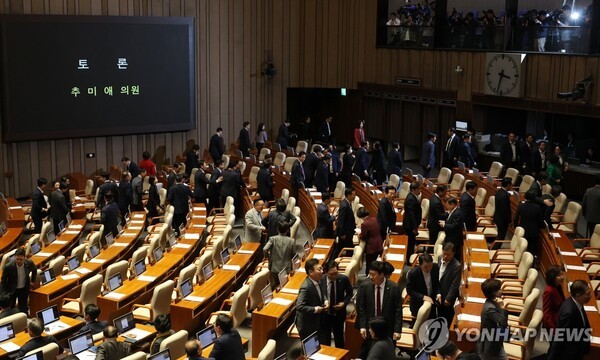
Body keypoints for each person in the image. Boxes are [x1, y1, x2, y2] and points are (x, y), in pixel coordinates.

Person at [355, 261, 402, 358]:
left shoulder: (394, 287)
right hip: (371, 327)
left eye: (373, 274)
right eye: (369, 274)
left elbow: (398, 310)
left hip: (387, 328)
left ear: (381, 274)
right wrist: (362, 326)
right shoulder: (365, 286)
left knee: (386, 354)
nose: (370, 277)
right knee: (368, 353)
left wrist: (397, 330)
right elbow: (361, 308)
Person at [548, 280, 592, 360]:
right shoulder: (569, 312)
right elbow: (559, 337)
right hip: (569, 354)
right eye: (588, 294)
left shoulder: (576, 302)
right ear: (578, 295)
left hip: (578, 349)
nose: (590, 296)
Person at [295, 259, 328, 343]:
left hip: (317, 321)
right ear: (311, 272)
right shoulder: (306, 287)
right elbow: (299, 306)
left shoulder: (319, 280)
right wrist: (315, 309)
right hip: (307, 325)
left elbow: (322, 292)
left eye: (322, 269)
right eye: (319, 269)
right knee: (310, 350)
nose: (322, 271)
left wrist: (325, 300)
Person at [321, 261, 353, 348]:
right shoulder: (320, 280)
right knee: (325, 340)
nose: (334, 276)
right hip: (325, 315)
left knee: (339, 339)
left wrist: (344, 303)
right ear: (326, 272)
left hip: (339, 314)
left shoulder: (343, 279)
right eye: (331, 274)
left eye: (336, 273)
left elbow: (350, 293)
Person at [477, 278, 509, 360]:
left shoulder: (492, 302)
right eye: (499, 289)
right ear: (494, 292)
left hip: (496, 339)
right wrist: (502, 307)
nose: (501, 290)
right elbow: (503, 323)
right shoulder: (490, 308)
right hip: (491, 344)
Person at [1, 247, 36, 314]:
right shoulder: (8, 267)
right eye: (17, 259)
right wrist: (3, 293)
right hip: (12, 291)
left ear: (24, 257)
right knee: (11, 310)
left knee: (23, 309)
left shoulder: (29, 263)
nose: (19, 261)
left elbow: (34, 270)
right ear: (14, 257)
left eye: (21, 259)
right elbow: (3, 281)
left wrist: (33, 281)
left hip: (23, 289)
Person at [407, 253, 439, 318]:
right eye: (426, 267)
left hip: (432, 302)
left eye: (430, 266)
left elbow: (438, 283)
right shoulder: (413, 273)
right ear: (420, 265)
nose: (429, 269)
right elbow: (409, 290)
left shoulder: (435, 268)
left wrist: (439, 293)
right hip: (418, 304)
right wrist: (423, 297)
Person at [263, 221, 295, 288]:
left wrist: (267, 257)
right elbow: (294, 255)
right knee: (285, 284)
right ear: (287, 230)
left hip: (275, 267)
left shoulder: (272, 239)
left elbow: (264, 249)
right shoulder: (291, 241)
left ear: (277, 229)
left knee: (276, 284)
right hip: (286, 268)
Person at [437, 243, 461, 326]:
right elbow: (438, 277)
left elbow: (455, 284)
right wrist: (438, 292)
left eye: (448, 255)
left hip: (448, 296)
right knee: (439, 315)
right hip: (439, 293)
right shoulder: (439, 257)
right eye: (444, 253)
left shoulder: (457, 266)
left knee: (447, 318)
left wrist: (448, 298)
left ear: (453, 254)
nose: (445, 257)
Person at [514, 190, 544, 257]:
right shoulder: (537, 207)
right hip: (534, 232)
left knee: (521, 248)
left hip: (523, 230)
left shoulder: (521, 205)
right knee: (531, 251)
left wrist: (516, 227)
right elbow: (540, 221)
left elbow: (516, 219)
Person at [358, 207, 383, 275]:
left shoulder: (364, 224)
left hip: (372, 247)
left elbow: (363, 237)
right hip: (379, 243)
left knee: (369, 265)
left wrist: (359, 235)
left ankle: (368, 278)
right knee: (377, 265)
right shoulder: (374, 219)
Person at [403, 182, 422, 260]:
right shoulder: (411, 199)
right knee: (411, 244)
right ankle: (409, 259)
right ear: (413, 189)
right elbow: (412, 215)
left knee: (411, 242)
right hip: (410, 225)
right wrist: (415, 227)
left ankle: (410, 257)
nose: (420, 190)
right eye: (418, 189)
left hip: (410, 224)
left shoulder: (413, 196)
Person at [543, 266, 566, 330]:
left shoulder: (558, 287)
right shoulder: (549, 291)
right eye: (559, 275)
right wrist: (554, 331)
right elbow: (547, 313)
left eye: (562, 274)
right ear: (552, 278)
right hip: (555, 324)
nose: (562, 277)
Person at [336, 187, 356, 254]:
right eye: (353, 195)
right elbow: (341, 221)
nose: (355, 196)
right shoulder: (344, 205)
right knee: (344, 249)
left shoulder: (347, 203)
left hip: (348, 231)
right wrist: (342, 233)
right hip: (345, 233)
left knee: (346, 248)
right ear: (348, 195)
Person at [494, 178, 513, 248]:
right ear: (508, 185)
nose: (512, 186)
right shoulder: (504, 196)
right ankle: (493, 250)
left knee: (500, 236)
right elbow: (505, 211)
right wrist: (509, 221)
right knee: (500, 238)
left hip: (498, 218)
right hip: (502, 221)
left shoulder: (499, 192)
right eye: (511, 185)